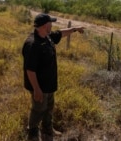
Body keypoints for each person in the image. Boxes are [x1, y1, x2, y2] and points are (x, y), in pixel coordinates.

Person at [22, 13, 85, 141]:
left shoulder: (47, 37)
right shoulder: (33, 44)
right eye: (51, 22)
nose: (52, 24)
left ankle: (47, 129)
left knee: (49, 108)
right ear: (46, 25)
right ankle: (33, 134)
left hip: (49, 84)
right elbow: (30, 70)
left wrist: (74, 29)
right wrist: (37, 89)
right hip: (39, 85)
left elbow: (60, 33)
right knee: (38, 109)